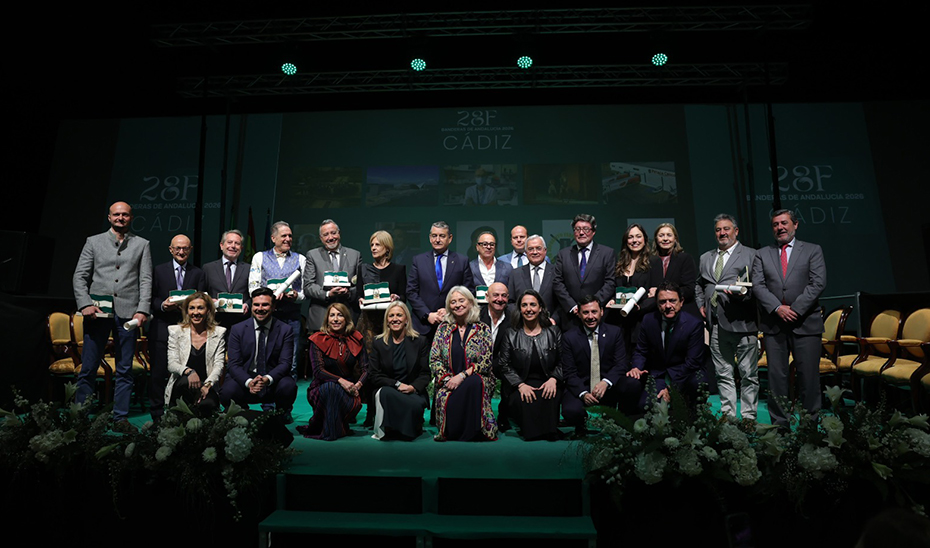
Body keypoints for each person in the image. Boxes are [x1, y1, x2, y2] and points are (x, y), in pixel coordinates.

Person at [72, 201, 151, 432]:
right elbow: (79, 276)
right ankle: (81, 418)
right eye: (116, 214)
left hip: (128, 314)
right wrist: (85, 304)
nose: (120, 218)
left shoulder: (142, 244)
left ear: (131, 218)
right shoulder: (93, 241)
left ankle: (120, 419)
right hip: (97, 313)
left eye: (125, 215)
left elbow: (146, 280)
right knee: (88, 368)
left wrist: (142, 309)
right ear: (109, 217)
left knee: (125, 369)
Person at [751, 209, 826, 427]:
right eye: (775, 224)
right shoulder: (762, 254)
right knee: (776, 379)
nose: (780, 228)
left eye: (784, 223)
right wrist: (777, 308)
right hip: (774, 325)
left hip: (806, 323)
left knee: (809, 378)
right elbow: (758, 285)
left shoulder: (812, 250)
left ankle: (809, 427)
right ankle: (779, 426)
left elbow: (818, 283)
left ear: (795, 224)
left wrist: (794, 309)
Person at [695, 214, 759, 421]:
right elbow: (699, 284)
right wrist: (701, 304)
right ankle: (728, 417)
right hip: (715, 325)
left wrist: (744, 295)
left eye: (726, 229)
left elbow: (759, 286)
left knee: (748, 375)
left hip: (743, 323)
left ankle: (748, 418)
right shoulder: (706, 258)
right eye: (718, 230)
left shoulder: (751, 255)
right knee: (723, 374)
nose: (722, 233)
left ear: (736, 231)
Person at [149, 233, 206, 422]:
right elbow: (150, 298)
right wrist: (162, 305)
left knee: (187, 374)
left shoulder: (198, 273)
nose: (181, 252)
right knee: (158, 374)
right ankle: (157, 416)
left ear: (190, 250)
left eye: (185, 248)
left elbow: (202, 299)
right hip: (161, 329)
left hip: (189, 331)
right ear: (171, 250)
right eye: (177, 248)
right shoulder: (158, 271)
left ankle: (184, 414)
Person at [429, 286, 498, 441]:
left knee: (474, 382)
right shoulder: (442, 329)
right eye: (453, 302)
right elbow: (434, 359)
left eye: (461, 300)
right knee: (454, 391)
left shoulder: (483, 329)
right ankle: (454, 429)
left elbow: (486, 362)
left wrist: (462, 376)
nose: (458, 305)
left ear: (470, 303)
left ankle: (472, 431)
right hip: (448, 382)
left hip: (476, 379)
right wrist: (447, 379)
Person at [561, 296, 637, 434]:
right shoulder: (569, 337)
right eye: (586, 312)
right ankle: (583, 424)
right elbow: (569, 372)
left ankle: (621, 421)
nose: (590, 317)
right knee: (571, 411)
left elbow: (621, 364)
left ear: (601, 312)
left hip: (608, 387)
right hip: (583, 386)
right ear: (579, 314)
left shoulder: (614, 332)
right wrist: (583, 393)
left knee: (632, 384)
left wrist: (606, 382)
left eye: (594, 312)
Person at [221, 287, 298, 417]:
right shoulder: (237, 329)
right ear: (252, 306)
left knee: (288, 386)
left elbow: (285, 363)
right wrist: (249, 382)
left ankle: (282, 414)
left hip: (272, 380)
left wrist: (267, 379)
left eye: (265, 305)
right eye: (256, 305)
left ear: (273, 307)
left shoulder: (285, 330)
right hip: (246, 379)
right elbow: (233, 364)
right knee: (227, 390)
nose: (260, 308)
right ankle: (242, 412)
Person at [497, 290, 563, 441]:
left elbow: (564, 361)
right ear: (520, 309)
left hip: (548, 381)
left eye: (533, 305)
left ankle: (547, 430)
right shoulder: (511, 333)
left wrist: (554, 379)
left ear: (540, 308)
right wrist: (520, 385)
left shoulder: (554, 332)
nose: (529, 309)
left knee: (548, 396)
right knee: (526, 400)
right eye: (524, 305)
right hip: (520, 384)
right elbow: (504, 364)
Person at [628, 282, 704, 406]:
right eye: (662, 302)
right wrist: (636, 367)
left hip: (684, 376)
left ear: (681, 301)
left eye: (672, 301)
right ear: (657, 303)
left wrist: (671, 389)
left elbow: (692, 362)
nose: (668, 306)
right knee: (645, 406)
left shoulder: (694, 324)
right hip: (658, 375)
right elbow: (641, 350)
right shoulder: (648, 320)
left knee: (698, 383)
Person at [300, 303, 368, 440]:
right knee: (331, 388)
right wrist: (341, 381)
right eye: (332, 315)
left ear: (346, 319)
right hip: (321, 388)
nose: (335, 319)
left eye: (340, 315)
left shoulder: (356, 338)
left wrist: (358, 385)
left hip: (349, 390)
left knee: (334, 390)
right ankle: (334, 431)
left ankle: (332, 428)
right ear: (327, 319)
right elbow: (318, 371)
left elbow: (366, 369)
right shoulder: (317, 339)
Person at [250, 221, 306, 381]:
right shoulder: (259, 257)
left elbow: (304, 292)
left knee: (291, 361)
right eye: (284, 236)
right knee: (265, 358)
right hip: (266, 317)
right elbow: (253, 288)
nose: (288, 239)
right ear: (273, 238)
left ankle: (288, 394)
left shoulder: (301, 259)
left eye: (290, 236)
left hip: (292, 317)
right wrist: (270, 296)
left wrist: (295, 295)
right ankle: (265, 395)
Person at [368, 302, 430, 440]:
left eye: (399, 315)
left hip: (412, 391)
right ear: (387, 321)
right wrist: (397, 384)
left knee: (415, 405)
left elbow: (425, 374)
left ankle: (406, 427)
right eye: (391, 316)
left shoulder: (420, 341)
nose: (395, 319)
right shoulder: (378, 342)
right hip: (389, 389)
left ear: (406, 319)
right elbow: (374, 375)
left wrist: (412, 387)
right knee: (385, 393)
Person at [407, 221, 474, 338]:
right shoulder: (418, 260)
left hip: (453, 323)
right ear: (430, 238)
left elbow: (469, 292)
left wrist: (450, 311)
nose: (437, 240)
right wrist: (427, 314)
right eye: (434, 236)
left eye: (442, 236)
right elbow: (411, 292)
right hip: (423, 325)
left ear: (450, 238)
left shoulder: (462, 261)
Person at [165, 292, 226, 415]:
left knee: (208, 405)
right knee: (184, 381)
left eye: (200, 308)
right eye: (192, 308)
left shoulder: (219, 333)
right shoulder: (175, 331)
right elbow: (172, 364)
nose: (196, 312)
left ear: (208, 311)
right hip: (182, 384)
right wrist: (189, 372)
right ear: (187, 311)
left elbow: (219, 365)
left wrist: (207, 385)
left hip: (206, 383)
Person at [553, 213, 616, 330]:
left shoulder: (607, 253)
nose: (581, 233)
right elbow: (557, 282)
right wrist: (572, 306)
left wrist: (592, 306)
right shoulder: (563, 254)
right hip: (571, 317)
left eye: (586, 229)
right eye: (577, 229)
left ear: (593, 232)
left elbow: (610, 282)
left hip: (598, 316)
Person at [606, 224, 656, 357]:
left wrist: (640, 307)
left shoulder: (653, 262)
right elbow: (615, 289)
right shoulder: (619, 263)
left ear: (645, 239)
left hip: (642, 320)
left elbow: (656, 293)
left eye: (638, 236)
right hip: (621, 321)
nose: (634, 240)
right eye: (630, 237)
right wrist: (612, 300)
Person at [304, 219, 362, 333]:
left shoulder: (355, 255)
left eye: (333, 233)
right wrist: (327, 294)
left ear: (339, 233)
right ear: (321, 238)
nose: (330, 237)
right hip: (321, 317)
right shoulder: (313, 255)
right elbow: (308, 286)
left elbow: (360, 286)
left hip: (348, 317)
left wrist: (349, 293)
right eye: (326, 235)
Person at [357, 229, 408, 345]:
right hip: (368, 323)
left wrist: (397, 298)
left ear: (387, 248)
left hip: (391, 322)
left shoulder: (398, 270)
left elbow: (404, 297)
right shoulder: (363, 269)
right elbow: (358, 295)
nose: (373, 248)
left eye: (377, 245)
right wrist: (360, 299)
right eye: (372, 245)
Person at [479, 282, 514, 430]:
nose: (500, 299)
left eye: (504, 296)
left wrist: (494, 365)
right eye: (496, 295)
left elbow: (512, 351)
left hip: (502, 362)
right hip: (477, 363)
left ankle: (504, 416)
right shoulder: (476, 316)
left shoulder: (514, 319)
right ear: (487, 297)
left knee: (511, 374)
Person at [203, 229, 251, 332]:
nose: (233, 246)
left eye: (237, 243)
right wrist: (209, 301)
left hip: (241, 322)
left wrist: (247, 305)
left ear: (241, 248)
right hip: (215, 323)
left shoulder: (249, 269)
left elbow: (253, 294)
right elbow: (202, 293)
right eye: (229, 242)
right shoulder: (208, 268)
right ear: (221, 245)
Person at [508, 235, 560, 328]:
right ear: (526, 252)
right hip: (523, 327)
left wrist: (554, 319)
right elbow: (510, 302)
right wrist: (521, 317)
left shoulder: (557, 272)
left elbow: (562, 301)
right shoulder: (515, 274)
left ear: (545, 250)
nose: (535, 252)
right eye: (530, 249)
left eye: (538, 248)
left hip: (550, 327)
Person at [649, 223, 699, 319]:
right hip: (656, 313)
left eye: (669, 235)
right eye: (661, 235)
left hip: (683, 312)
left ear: (675, 238)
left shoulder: (685, 259)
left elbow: (689, 289)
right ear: (656, 239)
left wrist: (662, 293)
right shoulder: (649, 261)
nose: (665, 239)